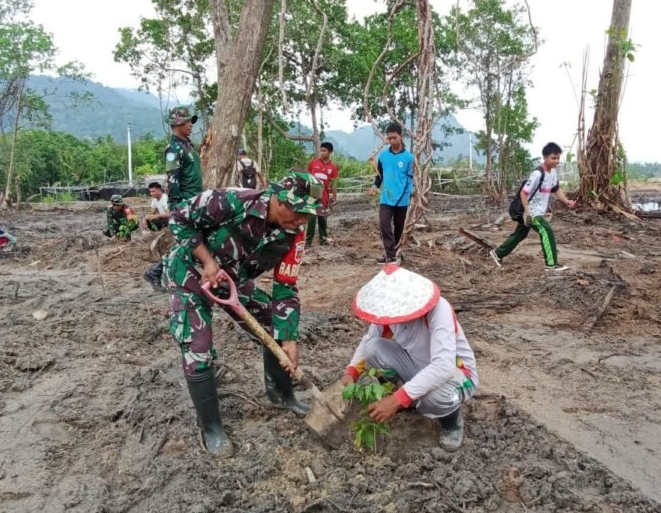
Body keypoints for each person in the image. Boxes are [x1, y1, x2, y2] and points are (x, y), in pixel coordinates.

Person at [163, 171, 326, 456]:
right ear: (278, 199)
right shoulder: (231, 201)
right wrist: (207, 260)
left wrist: (289, 339)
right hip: (189, 271)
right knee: (197, 347)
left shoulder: (294, 237)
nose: (303, 221)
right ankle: (212, 428)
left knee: (274, 325)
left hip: (231, 280)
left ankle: (282, 394)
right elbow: (178, 218)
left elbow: (285, 288)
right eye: (299, 211)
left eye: (309, 214)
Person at [340, 265, 478, 452]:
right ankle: (409, 398)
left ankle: (451, 422)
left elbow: (443, 366)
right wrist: (351, 371)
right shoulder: (389, 313)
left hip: (456, 375)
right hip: (416, 367)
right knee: (374, 348)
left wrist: (397, 399)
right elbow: (368, 341)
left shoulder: (438, 310)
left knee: (434, 398)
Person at [490, 142, 576, 272]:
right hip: (531, 212)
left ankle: (498, 253)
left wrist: (566, 201)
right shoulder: (537, 173)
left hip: (537, 212)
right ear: (545, 157)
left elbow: (556, 189)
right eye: (553, 158)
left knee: (520, 234)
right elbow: (523, 193)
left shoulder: (552, 173)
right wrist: (528, 212)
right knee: (546, 231)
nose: (556, 161)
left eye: (558, 158)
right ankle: (551, 264)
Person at [143, 106, 202, 292]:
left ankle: (161, 272)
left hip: (195, 199)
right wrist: (177, 207)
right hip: (184, 202)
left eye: (191, 121)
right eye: (187, 121)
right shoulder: (173, 149)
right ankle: (158, 272)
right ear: (177, 123)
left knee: (191, 242)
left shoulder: (188, 145)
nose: (190, 125)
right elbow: (173, 179)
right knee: (189, 241)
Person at [369, 122, 414, 264]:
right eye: (389, 138)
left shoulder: (409, 157)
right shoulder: (383, 157)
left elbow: (410, 179)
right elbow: (380, 175)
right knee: (384, 224)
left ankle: (395, 253)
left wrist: (407, 194)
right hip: (386, 198)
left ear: (401, 137)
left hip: (402, 199)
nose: (392, 141)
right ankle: (390, 255)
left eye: (394, 137)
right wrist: (375, 186)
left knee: (399, 228)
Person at [306, 141, 339, 246]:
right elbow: (307, 178)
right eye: (321, 150)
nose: (322, 152)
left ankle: (323, 240)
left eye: (324, 151)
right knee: (311, 219)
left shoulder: (333, 168)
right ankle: (308, 242)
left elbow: (333, 184)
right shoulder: (313, 163)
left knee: (322, 219)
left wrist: (334, 198)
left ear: (330, 153)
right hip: (312, 196)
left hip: (324, 197)